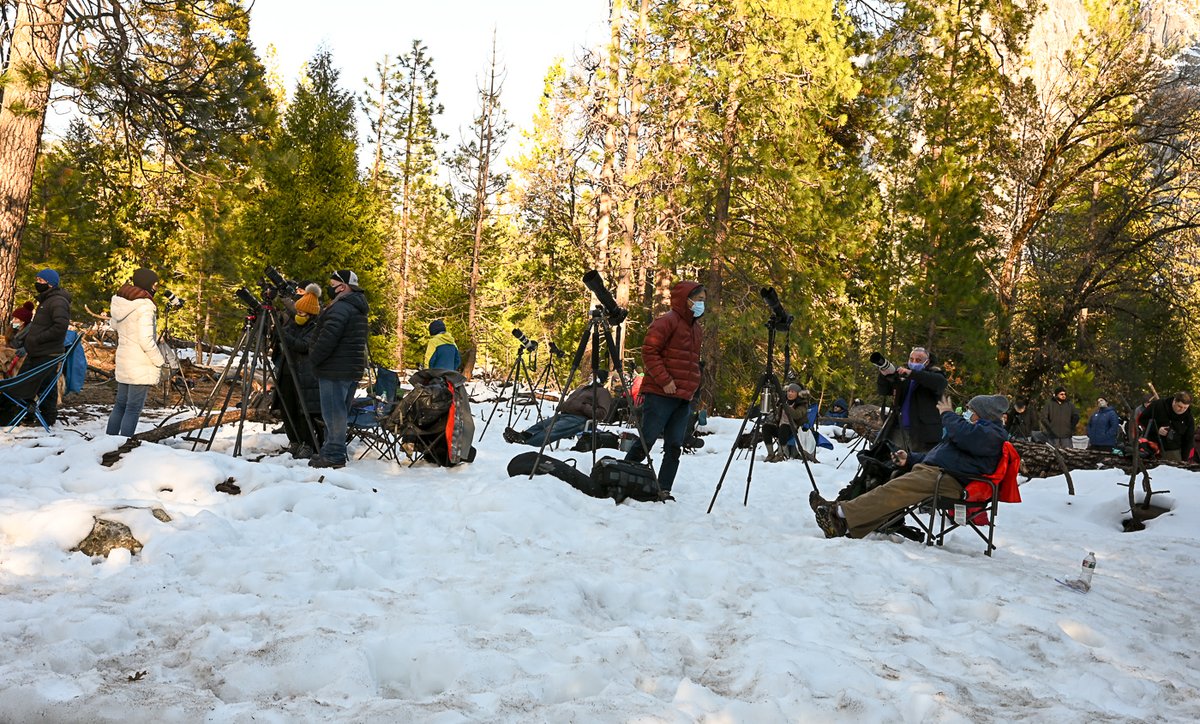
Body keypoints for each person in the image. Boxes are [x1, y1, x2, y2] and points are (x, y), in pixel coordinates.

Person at [809, 394, 1010, 539]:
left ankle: (839, 513)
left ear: (982, 415)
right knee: (887, 475)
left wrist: (948, 414)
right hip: (939, 472)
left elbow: (962, 434)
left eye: (970, 410)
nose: (966, 413)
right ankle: (844, 523)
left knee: (898, 488)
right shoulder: (974, 432)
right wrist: (910, 459)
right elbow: (938, 455)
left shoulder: (992, 434)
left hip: (953, 481)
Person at [624, 281, 705, 500]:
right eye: (698, 300)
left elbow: (692, 361)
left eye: (703, 300)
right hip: (661, 394)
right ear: (685, 300)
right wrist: (665, 380)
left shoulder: (696, 329)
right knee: (647, 440)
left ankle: (663, 488)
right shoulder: (666, 321)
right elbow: (650, 351)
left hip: (683, 397)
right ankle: (623, 476)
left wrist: (694, 385)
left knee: (674, 446)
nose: (701, 304)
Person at [306, 270, 369, 469]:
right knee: (339, 411)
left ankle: (333, 453)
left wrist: (313, 357)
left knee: (334, 414)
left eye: (333, 285)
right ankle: (330, 450)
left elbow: (328, 338)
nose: (329, 289)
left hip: (335, 368)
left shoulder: (341, 308)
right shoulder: (356, 307)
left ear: (342, 287)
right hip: (349, 367)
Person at [105, 268, 167, 436]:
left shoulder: (121, 302)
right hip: (140, 362)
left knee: (120, 405)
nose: (156, 288)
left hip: (125, 359)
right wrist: (159, 361)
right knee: (133, 408)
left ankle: (108, 442)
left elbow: (115, 326)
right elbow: (146, 340)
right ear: (147, 284)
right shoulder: (145, 306)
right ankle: (124, 445)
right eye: (155, 284)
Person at [5, 269, 72, 426]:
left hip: (46, 352)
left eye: (40, 280)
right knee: (41, 385)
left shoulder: (57, 301)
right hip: (39, 351)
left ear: (50, 283)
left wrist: (36, 339)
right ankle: (36, 416)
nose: (37, 283)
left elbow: (60, 326)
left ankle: (40, 417)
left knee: (26, 384)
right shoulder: (47, 300)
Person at [274, 284, 324, 457]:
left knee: (303, 411)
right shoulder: (295, 324)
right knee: (288, 408)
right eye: (298, 312)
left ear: (311, 313)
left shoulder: (316, 327)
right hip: (287, 371)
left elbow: (303, 346)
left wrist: (284, 336)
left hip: (305, 375)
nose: (299, 315)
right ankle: (294, 440)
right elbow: (286, 337)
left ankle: (308, 443)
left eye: (303, 313)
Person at [504, 370, 613, 447]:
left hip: (580, 419)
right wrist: (563, 405)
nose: (590, 377)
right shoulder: (581, 389)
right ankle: (521, 436)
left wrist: (583, 407)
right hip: (565, 414)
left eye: (593, 375)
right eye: (590, 375)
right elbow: (570, 401)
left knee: (552, 429)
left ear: (599, 379)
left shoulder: (602, 392)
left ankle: (528, 444)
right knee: (541, 424)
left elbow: (602, 414)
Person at [876, 346, 948, 453]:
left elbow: (939, 383)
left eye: (918, 360)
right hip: (899, 429)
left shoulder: (935, 375)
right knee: (894, 463)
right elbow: (883, 391)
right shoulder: (903, 377)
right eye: (911, 359)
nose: (914, 362)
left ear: (927, 362)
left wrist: (912, 374)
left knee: (918, 466)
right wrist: (884, 375)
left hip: (923, 433)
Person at [1139, 392, 1194, 462]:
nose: (1182, 410)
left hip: (1173, 451)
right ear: (1174, 401)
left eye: (1185, 408)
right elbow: (1142, 419)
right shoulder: (1158, 405)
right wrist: (1157, 429)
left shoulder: (1188, 418)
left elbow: (1188, 439)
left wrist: (1184, 459)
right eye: (1179, 406)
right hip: (1151, 446)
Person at [763, 383, 810, 462]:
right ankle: (770, 454)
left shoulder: (802, 404)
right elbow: (778, 416)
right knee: (766, 427)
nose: (790, 393)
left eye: (792, 392)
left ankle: (780, 455)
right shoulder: (783, 401)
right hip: (781, 428)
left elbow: (797, 415)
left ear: (798, 394)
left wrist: (786, 406)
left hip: (793, 430)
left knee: (784, 427)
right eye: (788, 391)